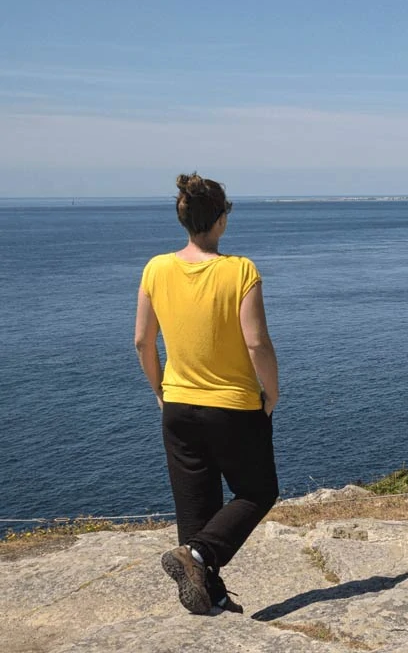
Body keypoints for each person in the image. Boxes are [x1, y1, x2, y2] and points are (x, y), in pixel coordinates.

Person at [134, 173, 280, 615]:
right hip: (233, 406)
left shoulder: (156, 269)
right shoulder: (240, 270)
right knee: (257, 491)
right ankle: (196, 556)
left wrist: (159, 389)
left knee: (196, 506)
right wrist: (272, 393)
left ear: (183, 219)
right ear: (221, 220)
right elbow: (257, 343)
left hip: (178, 407)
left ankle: (209, 595)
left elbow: (142, 341)